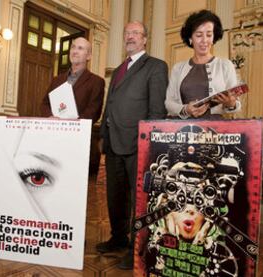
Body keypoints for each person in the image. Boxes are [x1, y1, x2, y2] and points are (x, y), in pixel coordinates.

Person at [96, 21, 168, 269]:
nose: (130, 37)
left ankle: (137, 246)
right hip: (113, 142)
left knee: (140, 199)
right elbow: (111, 104)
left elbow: (157, 109)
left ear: (145, 39)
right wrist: (102, 135)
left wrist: (151, 143)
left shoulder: (156, 66)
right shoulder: (117, 70)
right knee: (115, 196)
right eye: (127, 33)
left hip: (139, 143)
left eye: (135, 33)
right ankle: (118, 238)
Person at [165, 10, 241, 119]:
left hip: (216, 131)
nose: (204, 40)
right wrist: (186, 109)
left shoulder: (225, 65)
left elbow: (236, 105)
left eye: (209, 35)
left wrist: (230, 103)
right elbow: (169, 103)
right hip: (184, 130)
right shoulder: (178, 68)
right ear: (190, 38)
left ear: (214, 37)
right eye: (199, 35)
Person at [40, 37, 105, 122]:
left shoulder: (96, 82)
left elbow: (94, 111)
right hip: (55, 130)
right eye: (73, 47)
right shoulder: (57, 80)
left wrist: (73, 124)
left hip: (79, 132)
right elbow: (45, 104)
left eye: (80, 48)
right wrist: (50, 117)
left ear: (88, 56)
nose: (75, 51)